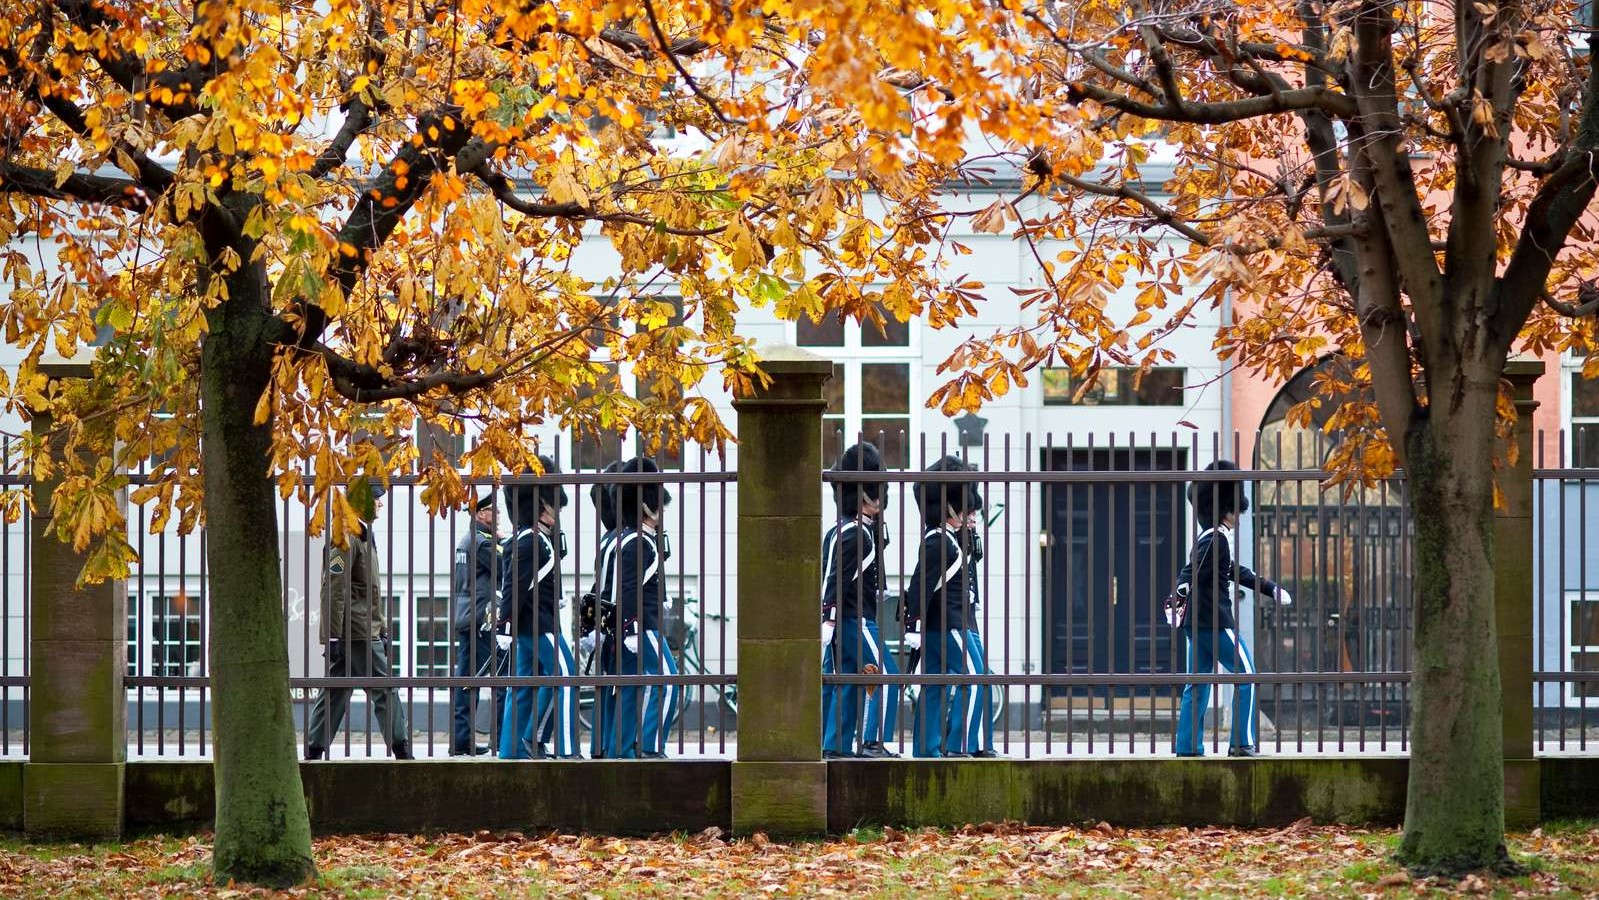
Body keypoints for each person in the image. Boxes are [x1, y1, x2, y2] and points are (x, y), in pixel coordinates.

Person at [1171, 459, 1293, 758]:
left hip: (1197, 623)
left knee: (1197, 684)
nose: (1239, 513)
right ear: (1226, 506)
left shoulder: (1212, 536)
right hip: (1214, 622)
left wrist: (1268, 587)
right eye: (1235, 506)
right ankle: (1241, 743)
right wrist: (1182, 589)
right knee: (1247, 675)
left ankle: (1188, 747)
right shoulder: (1215, 538)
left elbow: (1231, 570)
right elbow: (1194, 572)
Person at [306, 478, 412, 760]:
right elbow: (334, 589)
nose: (380, 502)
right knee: (384, 687)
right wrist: (331, 636)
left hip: (361, 628)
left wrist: (383, 628)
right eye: (376, 497)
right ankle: (401, 748)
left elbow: (369, 591)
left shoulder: (361, 534)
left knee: (335, 689)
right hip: (358, 632)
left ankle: (314, 748)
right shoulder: (346, 536)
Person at [902, 455, 988, 758]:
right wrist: (914, 625)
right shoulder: (939, 540)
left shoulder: (951, 539)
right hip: (947, 624)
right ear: (950, 507)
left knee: (936, 685)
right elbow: (919, 585)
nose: (971, 512)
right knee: (975, 681)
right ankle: (958, 746)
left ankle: (928, 749)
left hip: (950, 622)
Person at [821, 442, 900, 759]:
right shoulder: (856, 533)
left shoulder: (848, 529)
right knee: (885, 677)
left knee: (846, 683)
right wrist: (830, 617)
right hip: (854, 618)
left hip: (846, 619)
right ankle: (871, 742)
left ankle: (835, 745)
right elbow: (836, 580)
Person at [499, 456, 580, 758]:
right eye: (552, 503)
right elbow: (514, 588)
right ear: (541, 504)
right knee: (567, 678)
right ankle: (562, 746)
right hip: (538, 624)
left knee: (521, 689)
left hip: (533, 623)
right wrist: (505, 625)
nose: (557, 509)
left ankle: (511, 750)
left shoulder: (537, 538)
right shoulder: (529, 540)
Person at [601, 456, 681, 758]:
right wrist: (632, 628)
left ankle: (622, 750)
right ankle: (648, 746)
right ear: (646, 504)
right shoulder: (638, 542)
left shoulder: (636, 539)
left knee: (631, 689)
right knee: (666, 682)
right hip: (641, 625)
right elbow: (629, 590)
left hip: (633, 624)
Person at [450, 490, 502, 756]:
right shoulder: (481, 541)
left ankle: (462, 740)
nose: (499, 516)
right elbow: (504, 565)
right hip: (480, 618)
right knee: (489, 678)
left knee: (468, 678)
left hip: (467, 615)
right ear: (481, 514)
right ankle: (495, 739)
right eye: (495, 511)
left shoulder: (467, 539)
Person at [579, 460, 624, 758]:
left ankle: (603, 746)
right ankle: (609, 746)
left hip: (609, 622)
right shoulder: (618, 540)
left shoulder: (612, 538)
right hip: (617, 624)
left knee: (610, 687)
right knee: (615, 688)